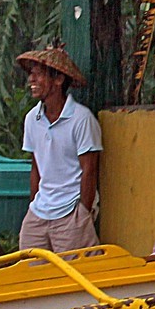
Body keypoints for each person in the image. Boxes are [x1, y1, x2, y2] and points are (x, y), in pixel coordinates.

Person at [17, 45, 102, 251]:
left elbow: (89, 170)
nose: (32, 80)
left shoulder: (82, 119)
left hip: (71, 212)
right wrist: (34, 202)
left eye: (39, 74)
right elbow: (36, 165)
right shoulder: (32, 119)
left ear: (58, 79)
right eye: (31, 74)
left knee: (75, 276)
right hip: (39, 211)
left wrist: (83, 211)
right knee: (29, 271)